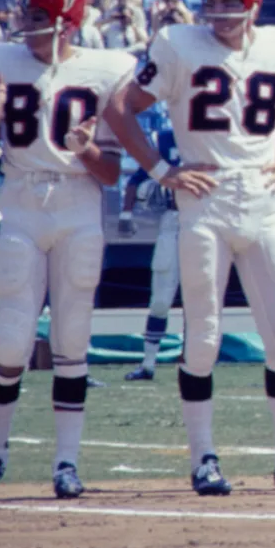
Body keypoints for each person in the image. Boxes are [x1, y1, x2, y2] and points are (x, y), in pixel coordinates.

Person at [103, 0, 275, 497]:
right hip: (205, 204)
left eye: (229, 5)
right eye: (210, 4)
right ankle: (204, 458)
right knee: (204, 336)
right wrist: (163, 170)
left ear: (253, 5)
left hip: (263, 202)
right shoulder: (178, 44)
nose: (217, 15)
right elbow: (121, 108)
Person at [0, 0, 136, 501]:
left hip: (79, 204)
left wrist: (85, 149)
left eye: (38, 16)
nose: (27, 26)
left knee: (71, 337)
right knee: (14, 336)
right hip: (18, 199)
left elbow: (110, 172)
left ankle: (66, 463)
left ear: (67, 23)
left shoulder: (105, 68)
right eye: (27, 14)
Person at [120, 128, 181, 382]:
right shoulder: (165, 139)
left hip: (207, 219)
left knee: (204, 299)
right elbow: (138, 179)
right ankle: (148, 364)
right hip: (174, 219)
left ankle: (198, 362)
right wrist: (126, 214)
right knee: (160, 299)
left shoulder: (215, 134)